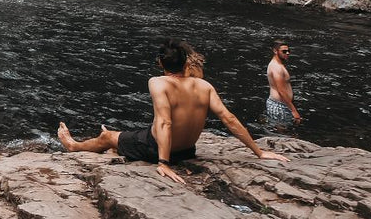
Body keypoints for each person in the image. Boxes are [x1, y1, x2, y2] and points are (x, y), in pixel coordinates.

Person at [56, 39, 289, 184]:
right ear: (185, 63)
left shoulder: (158, 82)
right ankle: (119, 146)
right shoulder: (204, 86)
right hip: (188, 150)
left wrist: (163, 163)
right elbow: (229, 119)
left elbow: (166, 123)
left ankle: (74, 145)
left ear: (160, 63)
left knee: (107, 136)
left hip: (157, 148)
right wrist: (258, 152)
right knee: (134, 133)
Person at [266, 40, 301, 125]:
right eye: (284, 51)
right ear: (275, 51)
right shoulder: (276, 67)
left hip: (281, 104)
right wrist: (294, 111)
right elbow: (281, 90)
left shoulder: (278, 65)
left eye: (289, 51)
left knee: (286, 133)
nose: (287, 53)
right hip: (279, 106)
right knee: (284, 134)